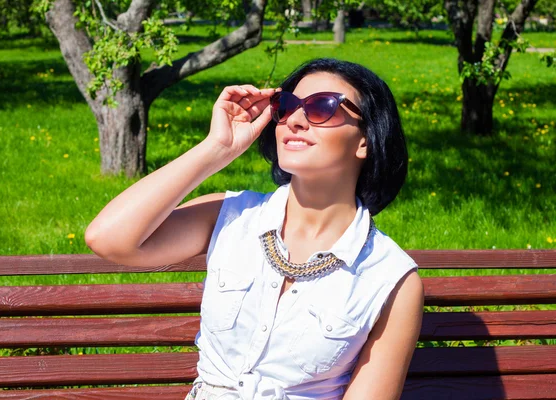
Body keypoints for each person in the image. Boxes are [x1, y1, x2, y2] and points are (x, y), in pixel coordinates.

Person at [85, 57, 424, 400]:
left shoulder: (389, 278)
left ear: (365, 140)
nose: (295, 120)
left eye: (321, 107)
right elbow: (109, 239)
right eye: (287, 105)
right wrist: (216, 149)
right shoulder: (231, 216)